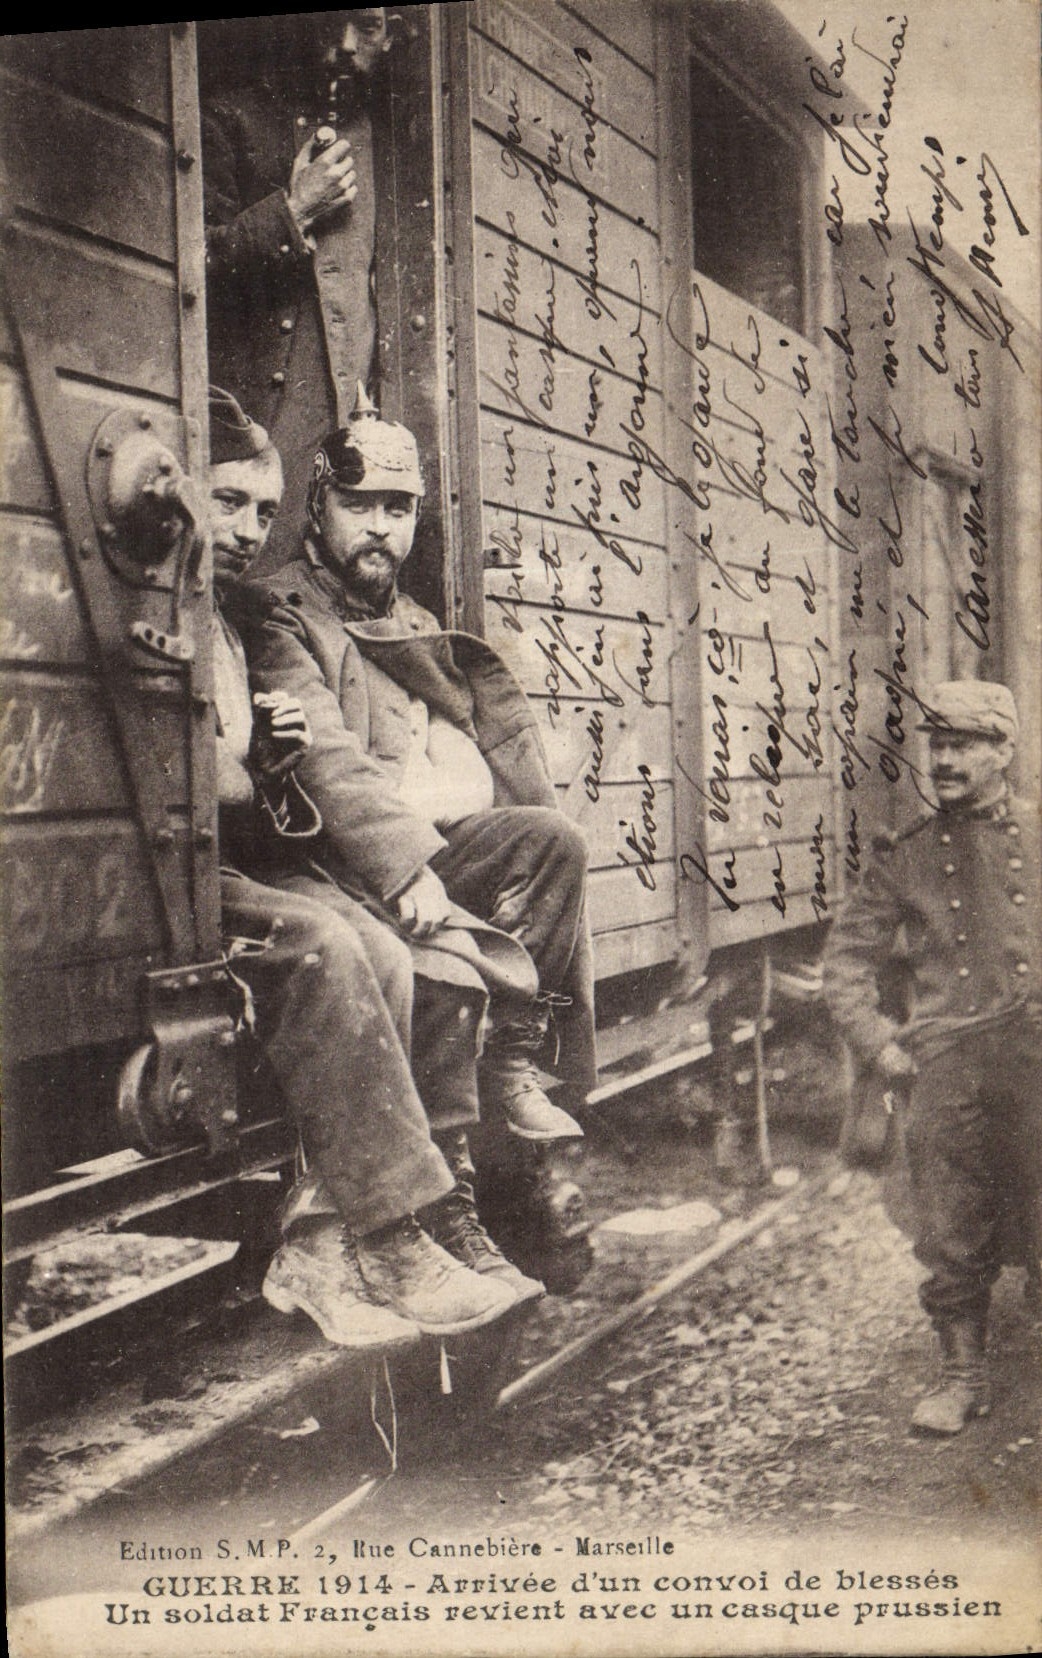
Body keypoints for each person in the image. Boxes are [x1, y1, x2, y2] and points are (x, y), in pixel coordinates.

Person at [205, 387, 535, 1352]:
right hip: (221, 874)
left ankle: (425, 1212)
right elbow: (217, 781)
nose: (244, 529)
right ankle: (370, 1236)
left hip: (271, 855)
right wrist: (258, 763)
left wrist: (262, 758)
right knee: (345, 944)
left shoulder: (226, 613)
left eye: (258, 512)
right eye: (226, 503)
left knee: (421, 961)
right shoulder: (251, 611)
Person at [242, 387, 596, 1183]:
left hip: (420, 861)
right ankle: (447, 1184)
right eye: (359, 504)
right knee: (436, 972)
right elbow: (322, 751)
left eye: (398, 509)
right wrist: (405, 861)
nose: (380, 528)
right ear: (318, 508)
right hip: (332, 864)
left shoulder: (408, 615)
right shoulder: (276, 607)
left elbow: (470, 748)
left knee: (552, 841)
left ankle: (510, 1058)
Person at [823, 680, 1040, 1434]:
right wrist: (879, 1042)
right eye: (937, 745)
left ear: (1003, 752)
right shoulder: (903, 856)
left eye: (962, 745)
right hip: (947, 1059)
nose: (943, 760)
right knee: (949, 1218)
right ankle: (963, 1375)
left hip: (1037, 1052)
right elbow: (846, 963)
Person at [201, 9, 398, 567]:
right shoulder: (228, 118)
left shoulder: (394, 145)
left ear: (393, 34)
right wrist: (294, 211)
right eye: (328, 22)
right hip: (254, 447)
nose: (342, 44)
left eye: (366, 26)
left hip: (348, 456)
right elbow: (188, 270)